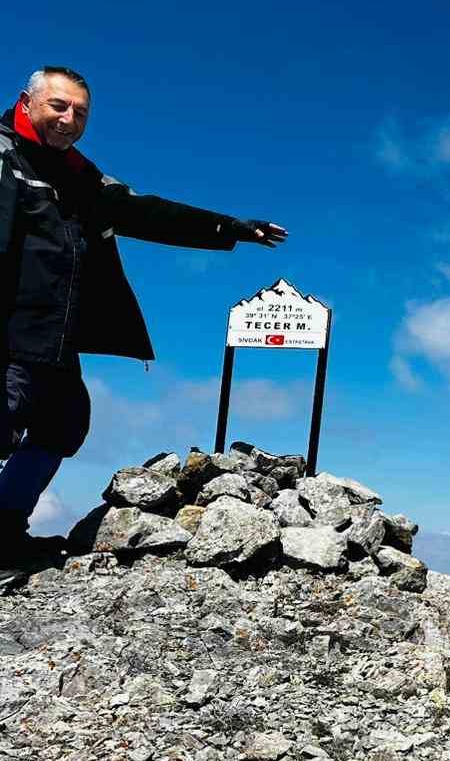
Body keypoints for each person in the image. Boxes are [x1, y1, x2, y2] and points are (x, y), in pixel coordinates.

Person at [1, 67, 286, 584]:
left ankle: (3, 530)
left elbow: (149, 212)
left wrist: (232, 228)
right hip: (9, 332)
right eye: (58, 106)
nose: (69, 119)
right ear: (26, 102)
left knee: (63, 423)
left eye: (80, 112)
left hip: (52, 338)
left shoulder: (81, 176)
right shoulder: (5, 158)